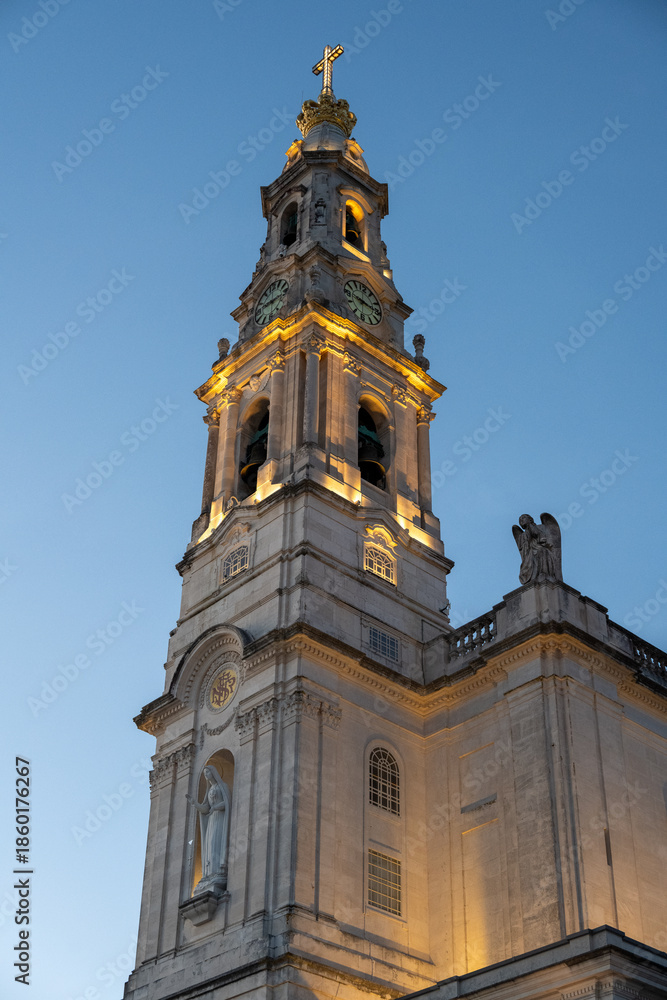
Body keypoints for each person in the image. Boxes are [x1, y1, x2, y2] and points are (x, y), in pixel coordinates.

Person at [186, 764, 230, 893]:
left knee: (216, 843)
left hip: (219, 818)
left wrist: (216, 808)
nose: (206, 775)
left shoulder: (223, 787)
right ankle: (209, 874)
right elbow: (205, 808)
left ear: (214, 773)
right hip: (211, 819)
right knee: (210, 846)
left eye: (208, 772)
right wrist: (195, 804)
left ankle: (218, 871)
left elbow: (226, 802)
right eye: (205, 773)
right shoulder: (210, 790)